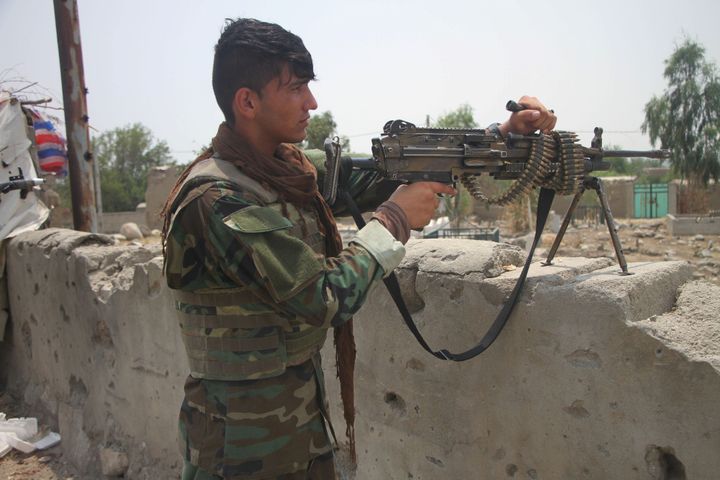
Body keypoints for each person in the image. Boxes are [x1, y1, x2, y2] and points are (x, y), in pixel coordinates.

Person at [161, 17, 556, 480]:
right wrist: (394, 219)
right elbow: (320, 296)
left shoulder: (285, 170)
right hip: (236, 447)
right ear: (247, 101)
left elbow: (381, 173)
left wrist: (502, 135)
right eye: (295, 89)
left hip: (298, 425)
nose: (311, 102)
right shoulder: (218, 198)